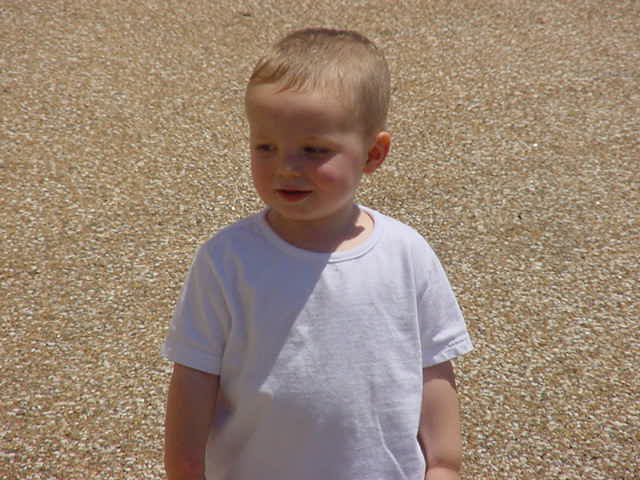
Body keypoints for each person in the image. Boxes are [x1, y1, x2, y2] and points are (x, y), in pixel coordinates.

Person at [162, 27, 473, 480]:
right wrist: (184, 470)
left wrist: (444, 463)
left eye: (313, 150)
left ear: (373, 154)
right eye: (265, 147)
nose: (286, 167)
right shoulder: (227, 260)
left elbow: (432, 366)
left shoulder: (406, 254)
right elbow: (194, 375)